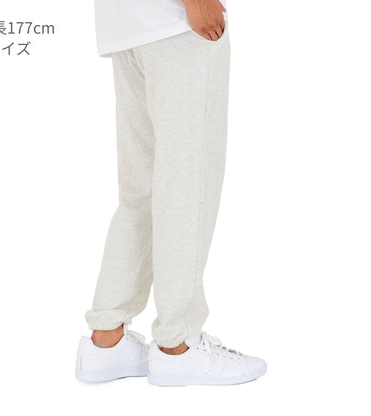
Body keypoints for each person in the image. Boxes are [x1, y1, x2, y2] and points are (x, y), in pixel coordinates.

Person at [75, 0, 267, 387]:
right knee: (187, 187)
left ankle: (107, 338)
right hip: (176, 23)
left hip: (124, 24)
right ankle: (178, 344)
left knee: (140, 193)